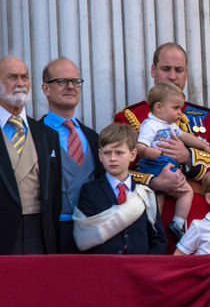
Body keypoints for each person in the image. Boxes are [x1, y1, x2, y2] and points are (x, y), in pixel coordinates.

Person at [114, 42, 210, 251]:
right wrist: (155, 182)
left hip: (199, 221)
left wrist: (188, 158)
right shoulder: (130, 117)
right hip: (150, 218)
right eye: (166, 69)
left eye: (179, 70)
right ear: (153, 70)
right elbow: (117, 171)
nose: (172, 76)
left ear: (186, 73)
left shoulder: (207, 118)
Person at [136, 82, 210, 241]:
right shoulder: (149, 125)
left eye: (181, 108)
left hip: (168, 165)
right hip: (154, 167)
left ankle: (173, 225)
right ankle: (159, 228)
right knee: (159, 198)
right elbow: (139, 146)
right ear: (159, 107)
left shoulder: (170, 125)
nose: (180, 112)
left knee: (176, 194)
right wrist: (149, 152)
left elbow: (185, 136)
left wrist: (204, 146)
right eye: (176, 108)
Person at [41, 58, 103, 253]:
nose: (70, 86)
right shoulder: (35, 135)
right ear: (46, 89)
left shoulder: (94, 137)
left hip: (93, 234)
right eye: (62, 81)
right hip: (52, 235)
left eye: (75, 81)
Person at [73, 123, 166, 254]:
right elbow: (85, 237)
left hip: (140, 268)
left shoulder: (145, 192)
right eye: (107, 153)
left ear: (133, 155)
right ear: (100, 155)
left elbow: (158, 238)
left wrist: (148, 265)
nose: (113, 158)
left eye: (119, 153)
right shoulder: (90, 191)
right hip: (105, 268)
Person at [0, 56, 61, 255]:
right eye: (12, 77)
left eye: (24, 77)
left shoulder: (47, 134)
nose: (20, 83)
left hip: (40, 236)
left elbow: (54, 196)